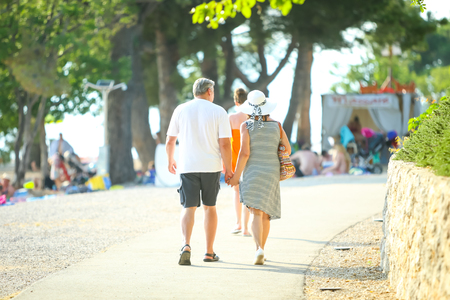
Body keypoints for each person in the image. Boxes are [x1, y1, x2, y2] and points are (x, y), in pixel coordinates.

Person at [166, 78, 233, 266]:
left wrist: (170, 160)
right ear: (210, 91)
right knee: (209, 207)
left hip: (187, 166)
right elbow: (225, 144)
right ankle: (209, 252)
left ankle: (185, 245)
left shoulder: (180, 109)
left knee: (188, 207)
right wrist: (228, 167)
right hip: (211, 167)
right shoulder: (219, 111)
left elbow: (171, 140)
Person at [229, 90, 291, 265]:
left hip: (253, 172)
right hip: (271, 172)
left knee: (256, 211)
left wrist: (235, 177)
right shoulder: (277, 126)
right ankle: (262, 248)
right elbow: (287, 149)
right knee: (266, 214)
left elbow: (244, 153)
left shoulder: (246, 126)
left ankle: (258, 250)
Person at [228, 88, 251, 237]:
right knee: (248, 192)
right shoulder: (252, 118)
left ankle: (238, 222)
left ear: (236, 102)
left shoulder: (231, 118)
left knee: (236, 192)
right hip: (248, 157)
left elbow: (225, 141)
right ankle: (246, 228)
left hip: (234, 158)